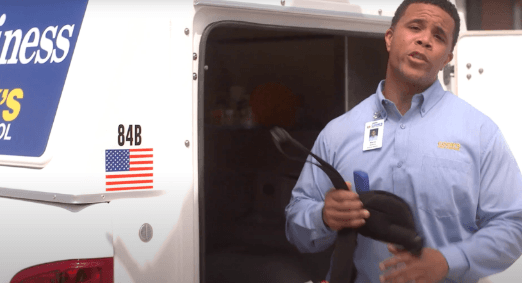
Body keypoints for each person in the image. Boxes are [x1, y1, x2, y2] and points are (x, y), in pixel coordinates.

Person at [284, 0, 522, 282]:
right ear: (389, 38)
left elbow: (513, 225)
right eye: (415, 27)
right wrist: (323, 216)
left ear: (447, 57)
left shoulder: (480, 133)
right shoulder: (338, 133)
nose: (424, 39)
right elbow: (295, 224)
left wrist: (449, 261)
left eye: (439, 36)